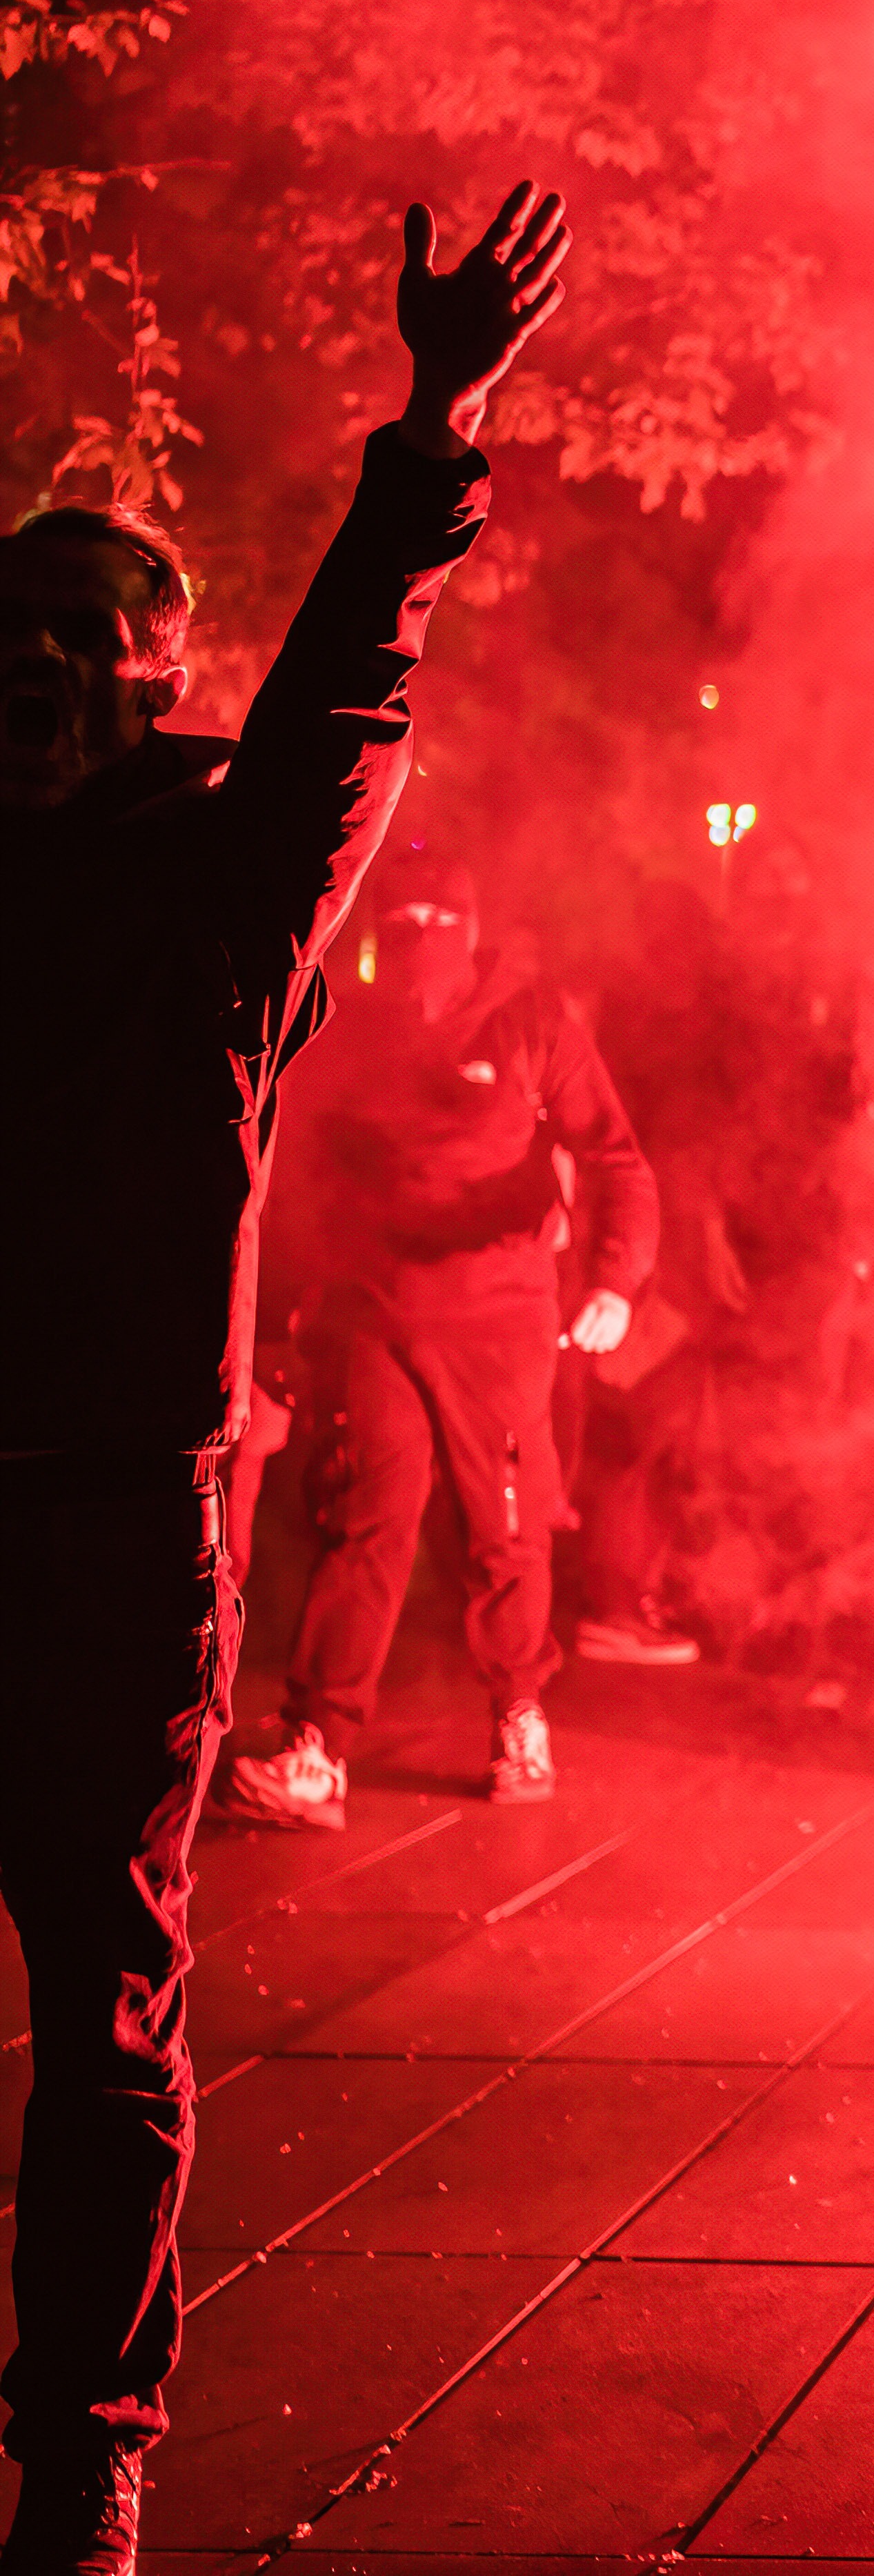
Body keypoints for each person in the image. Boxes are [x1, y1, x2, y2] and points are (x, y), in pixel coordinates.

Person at [0, 180, 564, 2576]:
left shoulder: (209, 903)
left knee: (108, 2029)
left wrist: (429, 438)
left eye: (56, 664)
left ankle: (87, 2459)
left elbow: (342, 703)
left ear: (131, 692)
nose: (15, 695)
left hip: (117, 1519)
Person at [217, 844, 660, 1826]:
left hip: (498, 1322)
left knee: (506, 1525)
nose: (417, 943)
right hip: (374, 1313)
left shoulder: (532, 1021)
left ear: (470, 930)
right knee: (363, 1521)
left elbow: (617, 1159)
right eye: (400, 926)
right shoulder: (349, 1027)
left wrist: (617, 1282)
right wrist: (291, 1313)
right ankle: (319, 1745)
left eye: (436, 924)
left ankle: (519, 1714)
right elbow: (294, 1179)